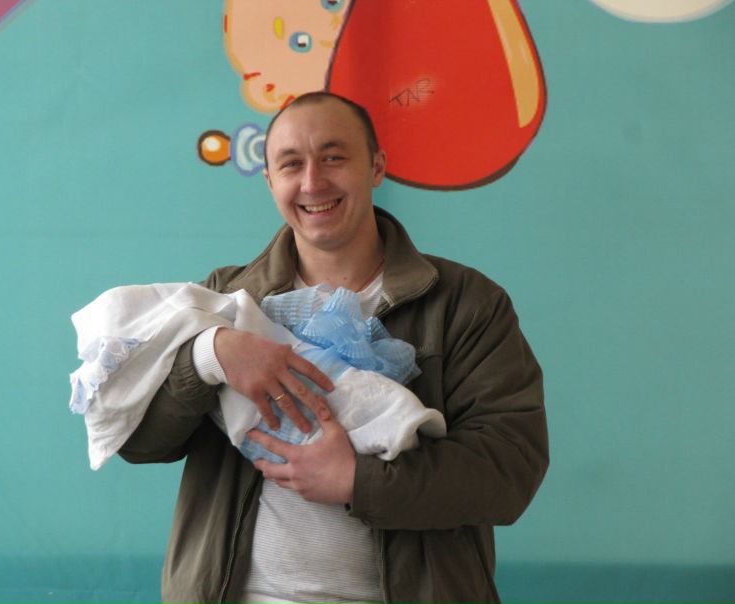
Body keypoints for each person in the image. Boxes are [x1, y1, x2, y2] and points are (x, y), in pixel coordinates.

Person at [118, 91, 548, 603]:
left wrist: (358, 481)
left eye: (333, 157)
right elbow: (139, 441)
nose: (312, 182)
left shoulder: (465, 303)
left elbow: (509, 469)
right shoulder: (223, 301)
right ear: (270, 180)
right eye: (291, 164)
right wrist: (209, 356)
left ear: (377, 167)